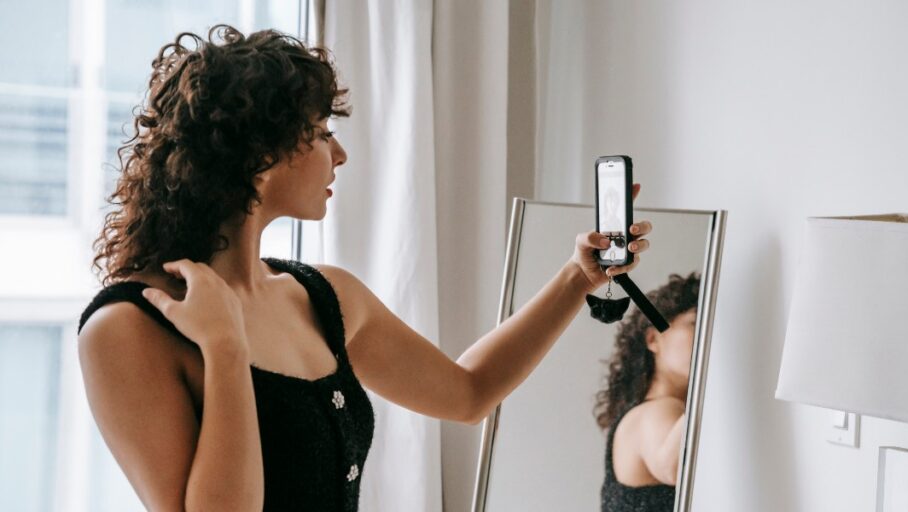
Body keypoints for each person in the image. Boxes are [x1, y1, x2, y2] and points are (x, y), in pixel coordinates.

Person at [75, 25, 653, 511]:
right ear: (261, 156)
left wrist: (578, 277)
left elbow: (468, 393)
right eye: (322, 133)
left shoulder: (323, 295)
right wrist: (225, 349)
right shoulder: (128, 327)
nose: (340, 154)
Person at [594, 273, 701, 512]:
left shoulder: (650, 411)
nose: (708, 336)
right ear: (653, 339)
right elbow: (675, 467)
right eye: (695, 323)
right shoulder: (656, 411)